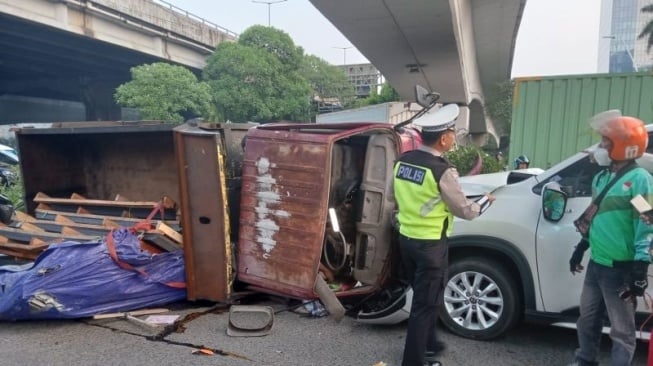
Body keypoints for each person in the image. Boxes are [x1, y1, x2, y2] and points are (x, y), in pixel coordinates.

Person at [394, 104, 495, 366]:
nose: (453, 136)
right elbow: (465, 210)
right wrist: (485, 201)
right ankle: (415, 361)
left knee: (426, 297)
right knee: (425, 305)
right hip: (430, 246)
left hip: (406, 239)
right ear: (443, 138)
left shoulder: (402, 162)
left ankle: (431, 343)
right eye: (452, 132)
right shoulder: (442, 170)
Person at [567, 111, 652, 366]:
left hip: (620, 269)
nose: (601, 147)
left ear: (624, 147)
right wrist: (582, 247)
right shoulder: (602, 177)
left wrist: (640, 266)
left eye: (606, 142)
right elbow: (597, 218)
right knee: (587, 319)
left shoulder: (639, 181)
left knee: (621, 330)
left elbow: (645, 225)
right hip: (597, 263)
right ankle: (584, 360)